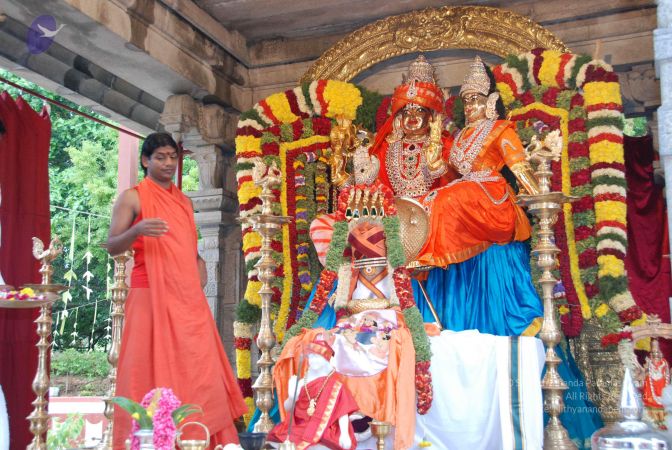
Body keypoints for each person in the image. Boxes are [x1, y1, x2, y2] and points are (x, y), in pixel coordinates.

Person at [107, 132, 247, 448]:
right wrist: (137, 229)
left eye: (173, 157)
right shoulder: (132, 198)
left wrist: (199, 266)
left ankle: (198, 436)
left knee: (198, 367)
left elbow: (188, 247)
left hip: (185, 298)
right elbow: (113, 246)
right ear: (146, 160)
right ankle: (148, 439)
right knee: (147, 367)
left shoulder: (184, 201)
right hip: (148, 295)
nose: (168, 163)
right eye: (160, 157)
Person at [267, 336, 358, 450]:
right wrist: (292, 396)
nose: (312, 361)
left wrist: (344, 434)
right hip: (300, 426)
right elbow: (288, 408)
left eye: (317, 357)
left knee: (323, 442)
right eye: (310, 357)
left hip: (326, 427)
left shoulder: (335, 384)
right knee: (279, 438)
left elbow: (342, 410)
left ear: (325, 359)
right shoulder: (301, 382)